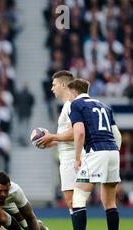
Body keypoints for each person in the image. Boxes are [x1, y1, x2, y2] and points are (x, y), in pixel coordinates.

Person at [59, 79, 122, 230]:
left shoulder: (76, 105)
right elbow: (117, 136)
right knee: (110, 202)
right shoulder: (104, 105)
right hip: (112, 152)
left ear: (72, 92)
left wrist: (78, 158)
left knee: (78, 197)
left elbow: (79, 132)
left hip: (95, 152)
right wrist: (112, 152)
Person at [37, 71, 76, 213]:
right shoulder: (68, 105)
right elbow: (70, 135)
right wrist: (52, 142)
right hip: (69, 157)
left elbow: (77, 132)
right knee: (73, 202)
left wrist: (52, 137)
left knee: (73, 201)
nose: (52, 88)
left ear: (64, 85)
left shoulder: (70, 105)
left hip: (72, 159)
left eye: (54, 85)